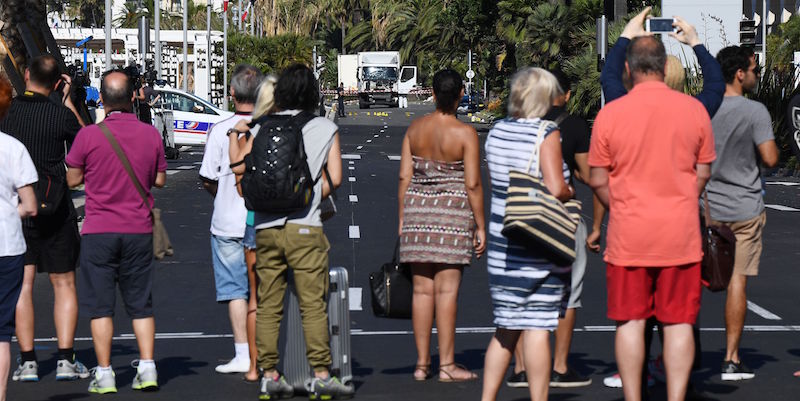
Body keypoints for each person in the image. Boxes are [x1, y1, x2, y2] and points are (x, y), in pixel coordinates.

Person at [598, 9, 725, 390]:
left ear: (632, 68)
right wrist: (697, 43)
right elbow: (716, 86)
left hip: (629, 234)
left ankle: (634, 394)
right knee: (679, 323)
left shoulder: (614, 111)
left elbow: (597, 177)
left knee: (631, 322)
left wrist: (624, 36)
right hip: (679, 234)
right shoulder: (695, 111)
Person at [249, 64, 351, 400]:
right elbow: (334, 177)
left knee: (268, 305)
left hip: (265, 226)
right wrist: (306, 195)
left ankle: (270, 375)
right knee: (312, 304)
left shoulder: (259, 128)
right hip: (305, 228)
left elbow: (250, 178)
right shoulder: (324, 126)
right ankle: (321, 375)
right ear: (311, 93)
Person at [65, 70, 167, 394]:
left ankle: (106, 373)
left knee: (101, 306)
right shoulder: (149, 134)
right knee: (141, 303)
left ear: (104, 101)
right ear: (132, 97)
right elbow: (160, 180)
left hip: (98, 231)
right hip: (138, 229)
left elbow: (72, 179)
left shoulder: (89, 136)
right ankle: (148, 367)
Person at [481, 67, 574, 401]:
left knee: (505, 330)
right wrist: (569, 192)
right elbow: (555, 187)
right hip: (536, 245)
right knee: (537, 329)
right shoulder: (545, 133)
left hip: (503, 243)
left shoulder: (496, 131)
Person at [0, 54, 89, 382]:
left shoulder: (8, 112)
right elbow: (88, 141)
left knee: (23, 285)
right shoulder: (58, 114)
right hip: (55, 208)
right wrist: (67, 103)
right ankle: (66, 359)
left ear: (25, 75)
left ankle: (27, 362)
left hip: (17, 211)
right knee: (63, 282)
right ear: (56, 83)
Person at [397, 69, 486, 383]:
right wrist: (480, 225)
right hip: (452, 218)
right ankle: (447, 365)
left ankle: (422, 364)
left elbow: (405, 178)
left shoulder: (415, 130)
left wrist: (402, 221)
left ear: (433, 94)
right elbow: (473, 184)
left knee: (422, 292)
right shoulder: (465, 134)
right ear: (461, 94)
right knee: (447, 292)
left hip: (418, 216)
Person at [708, 45, 779, 381]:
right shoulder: (755, 112)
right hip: (744, 208)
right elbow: (770, 158)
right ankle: (732, 358)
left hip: (706, 207)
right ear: (740, 73)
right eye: (753, 69)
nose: (755, 75)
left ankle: (677, 351)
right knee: (737, 279)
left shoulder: (703, 108)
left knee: (692, 280)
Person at [199, 64, 263, 376]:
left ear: (232, 93)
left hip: (226, 221)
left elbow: (208, 177)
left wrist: (223, 194)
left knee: (235, 290)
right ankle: (264, 350)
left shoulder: (221, 129)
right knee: (264, 289)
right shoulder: (270, 128)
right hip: (265, 220)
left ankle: (241, 352)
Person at [228, 74, 280, 382]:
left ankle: (253, 366)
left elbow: (239, 183)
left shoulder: (253, 134)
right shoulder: (292, 131)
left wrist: (236, 135)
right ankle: (282, 363)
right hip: (288, 221)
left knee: (256, 299)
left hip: (254, 224)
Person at [0, 75, 39, 401]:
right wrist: (13, 209)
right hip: (7, 244)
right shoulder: (13, 149)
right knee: (0, 334)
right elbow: (29, 204)